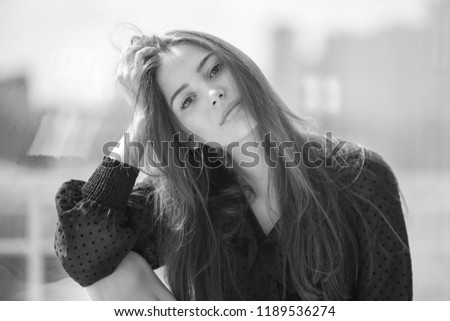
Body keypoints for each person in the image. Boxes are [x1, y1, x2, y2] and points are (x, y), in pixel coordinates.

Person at [54, 29, 412, 300]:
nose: (213, 94)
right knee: (115, 271)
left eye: (213, 71)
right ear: (185, 133)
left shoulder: (357, 176)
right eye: (187, 100)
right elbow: (83, 253)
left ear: (241, 69)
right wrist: (142, 122)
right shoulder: (186, 204)